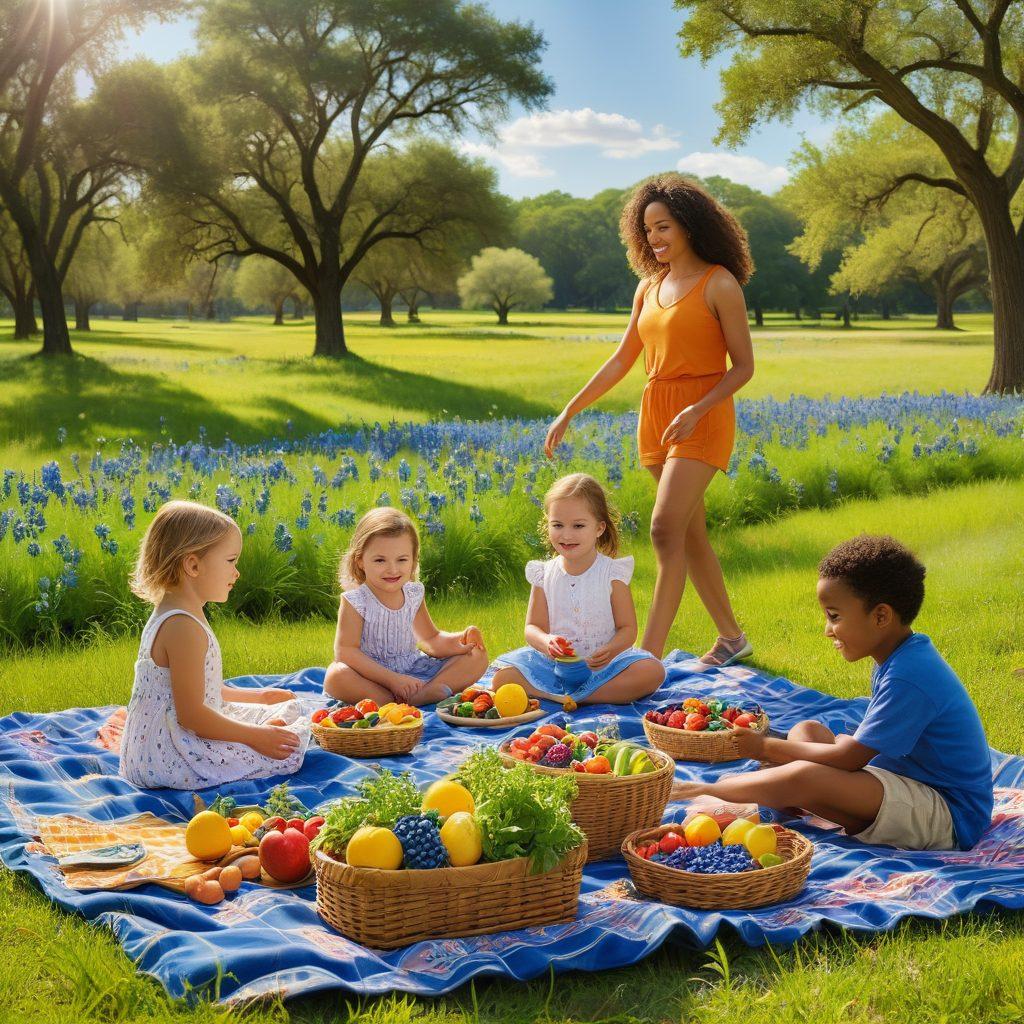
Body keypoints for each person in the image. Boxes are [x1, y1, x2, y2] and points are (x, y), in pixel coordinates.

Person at [545, 174, 755, 665]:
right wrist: (569, 409)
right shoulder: (649, 287)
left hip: (702, 413)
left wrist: (698, 408)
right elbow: (622, 359)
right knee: (689, 533)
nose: (655, 238)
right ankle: (731, 638)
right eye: (647, 230)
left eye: (663, 227)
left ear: (688, 225)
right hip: (657, 413)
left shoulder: (719, 283)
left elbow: (743, 367)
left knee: (663, 529)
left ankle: (644, 657)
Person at [671, 536, 994, 851]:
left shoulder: (910, 675)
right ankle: (784, 793)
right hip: (907, 781)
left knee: (804, 774)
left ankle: (701, 790)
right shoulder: (902, 656)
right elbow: (867, 750)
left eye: (834, 616)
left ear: (881, 616)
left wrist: (765, 746)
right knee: (807, 731)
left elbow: (850, 758)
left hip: (950, 815)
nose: (827, 629)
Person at [121, 500, 309, 790]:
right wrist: (257, 737)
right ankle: (260, 738)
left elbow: (206, 689)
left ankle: (263, 729)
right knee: (290, 746)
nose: (237, 573)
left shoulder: (176, 613)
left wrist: (260, 697)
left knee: (288, 709)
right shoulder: (183, 627)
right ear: (193, 565)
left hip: (153, 748)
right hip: (171, 756)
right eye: (231, 561)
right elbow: (193, 715)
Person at [492, 473, 665, 705]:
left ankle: (582, 697)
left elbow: (628, 629)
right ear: (548, 525)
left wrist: (610, 650)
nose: (566, 535)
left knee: (653, 671)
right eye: (558, 525)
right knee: (502, 677)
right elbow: (532, 628)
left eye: (578, 526)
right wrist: (547, 641)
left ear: (599, 528)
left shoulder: (612, 573)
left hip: (604, 668)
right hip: (554, 666)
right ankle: (554, 695)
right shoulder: (544, 574)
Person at [323, 507, 488, 706]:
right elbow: (346, 652)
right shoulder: (356, 601)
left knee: (477, 656)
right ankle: (392, 701)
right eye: (380, 560)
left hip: (412, 670)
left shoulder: (413, 593)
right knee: (335, 676)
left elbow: (430, 639)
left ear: (413, 560)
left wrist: (460, 640)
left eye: (401, 560)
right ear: (360, 561)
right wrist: (392, 680)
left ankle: (421, 694)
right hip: (373, 678)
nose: (392, 569)